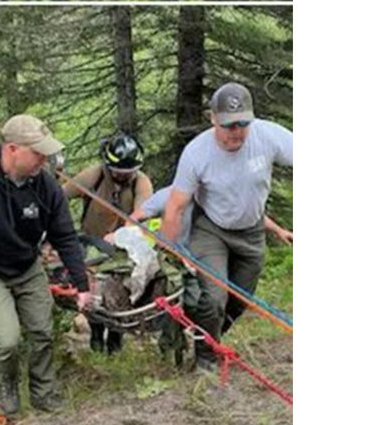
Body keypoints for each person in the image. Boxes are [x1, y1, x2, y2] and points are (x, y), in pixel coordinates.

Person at [0, 113, 92, 415]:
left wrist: (82, 284)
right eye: (38, 153)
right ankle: (6, 390)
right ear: (12, 149)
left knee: (41, 330)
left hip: (25, 265)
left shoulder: (44, 185)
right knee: (7, 339)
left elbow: (65, 235)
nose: (44, 161)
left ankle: (43, 392)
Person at [161, 82, 293, 370]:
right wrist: (168, 253)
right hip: (212, 230)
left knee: (240, 300)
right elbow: (175, 207)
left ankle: (206, 334)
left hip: (252, 230)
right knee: (215, 299)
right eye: (229, 125)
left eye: (242, 124)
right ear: (213, 120)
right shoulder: (197, 153)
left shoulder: (268, 136)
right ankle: (206, 361)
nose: (236, 132)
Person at [136, 184, 292, 364]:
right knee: (195, 304)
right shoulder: (168, 196)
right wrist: (132, 237)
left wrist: (279, 230)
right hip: (178, 261)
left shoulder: (217, 195)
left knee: (228, 303)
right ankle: (181, 351)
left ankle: (209, 341)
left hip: (206, 261)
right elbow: (135, 218)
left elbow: (250, 216)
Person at [62, 132, 155, 354]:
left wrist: (124, 233)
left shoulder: (141, 183)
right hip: (91, 244)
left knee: (119, 293)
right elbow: (61, 194)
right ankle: (95, 334)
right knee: (93, 293)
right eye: (118, 172)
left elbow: (141, 214)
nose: (122, 176)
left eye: (128, 172)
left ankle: (115, 338)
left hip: (123, 249)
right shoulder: (95, 175)